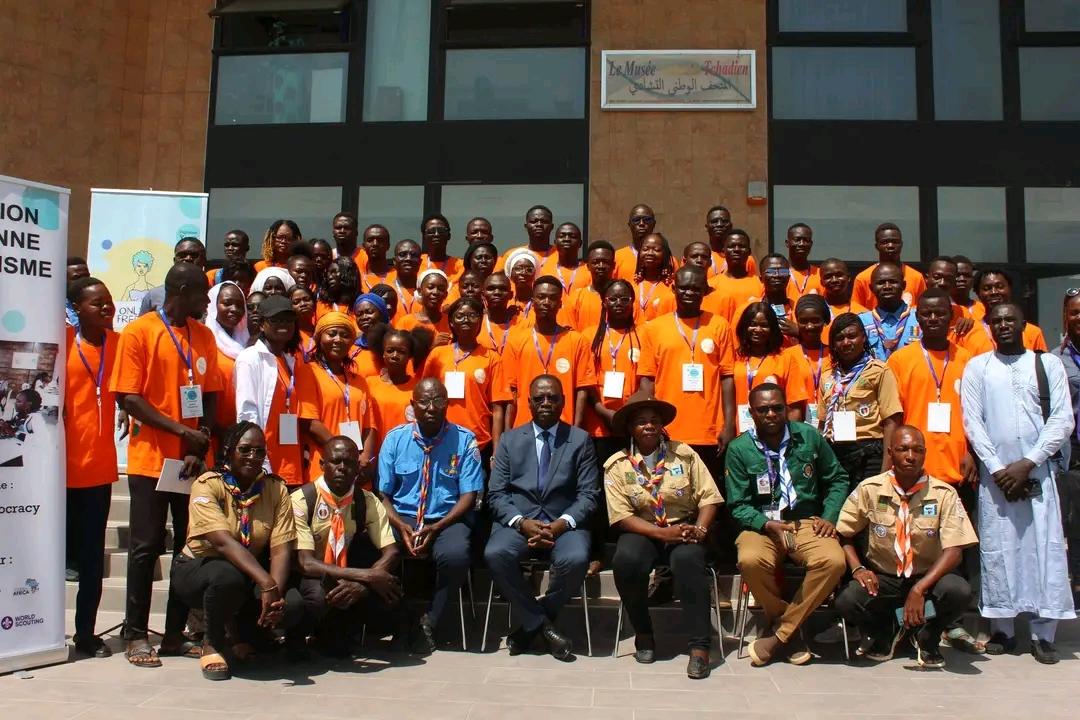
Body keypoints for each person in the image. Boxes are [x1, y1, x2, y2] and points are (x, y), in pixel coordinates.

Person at [109, 262, 220, 667]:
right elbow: (129, 397)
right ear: (183, 291)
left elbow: (209, 393)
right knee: (145, 547)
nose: (207, 301)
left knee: (187, 548)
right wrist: (180, 430)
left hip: (190, 462)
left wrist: (198, 439)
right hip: (151, 460)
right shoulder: (139, 332)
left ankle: (174, 635)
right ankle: (136, 634)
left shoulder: (204, 335)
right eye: (202, 293)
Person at [961, 302, 1076, 664]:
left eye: (1010, 319)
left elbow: (1062, 420)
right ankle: (1003, 629)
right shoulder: (978, 367)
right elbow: (973, 422)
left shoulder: (1047, 364)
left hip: (1038, 474)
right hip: (996, 480)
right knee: (999, 550)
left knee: (1044, 549)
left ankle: (1043, 634)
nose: (1003, 325)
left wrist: (1028, 463)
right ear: (989, 327)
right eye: (996, 321)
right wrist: (998, 469)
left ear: (1024, 324)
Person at [724, 383, 848, 666]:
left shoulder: (809, 436)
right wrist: (766, 525)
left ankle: (780, 633)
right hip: (762, 524)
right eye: (763, 409)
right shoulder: (739, 448)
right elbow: (738, 504)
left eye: (777, 408)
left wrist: (829, 515)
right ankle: (790, 629)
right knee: (750, 559)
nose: (771, 414)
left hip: (806, 521)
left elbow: (838, 479)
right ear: (751, 413)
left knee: (833, 561)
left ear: (786, 408)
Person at [835, 426, 978, 668]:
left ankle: (927, 637)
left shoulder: (944, 494)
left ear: (925, 454)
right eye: (903, 449)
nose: (910, 456)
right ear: (890, 453)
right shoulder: (870, 489)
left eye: (917, 450)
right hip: (885, 578)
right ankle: (886, 632)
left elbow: (954, 552)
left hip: (927, 578)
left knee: (958, 591)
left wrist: (919, 589)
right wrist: (858, 569)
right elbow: (844, 533)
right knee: (847, 599)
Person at [603, 391, 723, 678]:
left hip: (684, 527)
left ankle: (700, 647)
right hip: (643, 529)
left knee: (688, 560)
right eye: (641, 421)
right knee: (627, 560)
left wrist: (700, 529)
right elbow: (621, 516)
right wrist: (662, 534)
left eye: (654, 420)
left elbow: (709, 497)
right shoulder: (617, 465)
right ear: (630, 428)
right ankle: (643, 633)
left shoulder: (684, 454)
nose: (649, 426)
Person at [170, 422, 303, 680]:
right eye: (245, 450)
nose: (253, 457)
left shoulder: (275, 489)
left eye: (260, 451)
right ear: (229, 451)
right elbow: (222, 542)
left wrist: (274, 595)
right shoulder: (207, 484)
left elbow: (280, 548)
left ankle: (245, 636)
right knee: (225, 576)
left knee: (293, 604)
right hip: (198, 569)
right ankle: (211, 644)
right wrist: (266, 582)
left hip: (246, 573)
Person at [484, 375, 599, 660]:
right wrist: (521, 523)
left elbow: (589, 495)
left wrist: (561, 524)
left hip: (564, 524)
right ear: (529, 403)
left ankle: (530, 626)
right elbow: (496, 494)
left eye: (552, 398)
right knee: (496, 553)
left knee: (575, 559)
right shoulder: (509, 440)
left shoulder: (580, 440)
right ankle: (543, 625)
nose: (545, 403)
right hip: (519, 523)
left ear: (563, 402)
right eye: (539, 398)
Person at [378, 378, 484, 652]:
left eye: (438, 400)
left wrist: (437, 527)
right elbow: (383, 495)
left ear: (447, 403)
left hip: (447, 519)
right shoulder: (395, 439)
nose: (431, 407)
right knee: (378, 549)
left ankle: (431, 620)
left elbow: (469, 496)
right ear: (413, 405)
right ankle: (399, 619)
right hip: (403, 517)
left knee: (456, 555)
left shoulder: (465, 440)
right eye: (424, 401)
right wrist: (400, 525)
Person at [291, 436, 402, 657]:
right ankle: (297, 638)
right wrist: (366, 576)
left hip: (347, 573)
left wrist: (362, 584)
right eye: (335, 461)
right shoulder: (301, 500)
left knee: (389, 587)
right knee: (317, 596)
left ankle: (346, 633)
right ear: (322, 464)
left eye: (349, 463)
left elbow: (391, 552)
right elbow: (306, 563)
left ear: (358, 468)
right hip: (310, 576)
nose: (342, 468)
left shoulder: (367, 501)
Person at [638, 265, 736, 480]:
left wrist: (729, 424)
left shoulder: (720, 325)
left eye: (695, 288)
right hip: (668, 430)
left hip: (710, 431)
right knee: (671, 491)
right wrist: (652, 424)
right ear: (674, 289)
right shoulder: (654, 328)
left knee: (709, 493)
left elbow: (727, 378)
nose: (689, 292)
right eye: (683, 288)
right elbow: (647, 380)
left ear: (705, 291)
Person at [64, 277, 119, 658]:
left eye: (108, 301)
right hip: (57, 472)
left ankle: (86, 633)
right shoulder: (62, 341)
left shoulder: (120, 344)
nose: (105, 307)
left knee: (91, 561)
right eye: (96, 302)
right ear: (76, 308)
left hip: (98, 471)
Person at [234, 294, 318, 488]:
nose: (283, 325)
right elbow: (246, 413)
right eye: (276, 320)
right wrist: (257, 461)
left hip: (291, 463)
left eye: (288, 320)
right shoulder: (250, 359)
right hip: (264, 464)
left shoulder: (290, 361)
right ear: (262, 324)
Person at [496, 275, 596, 430]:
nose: (546, 302)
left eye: (552, 298)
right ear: (533, 301)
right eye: (541, 297)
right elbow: (511, 392)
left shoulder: (577, 341)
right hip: (524, 428)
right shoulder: (515, 340)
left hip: (564, 428)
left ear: (560, 304)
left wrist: (576, 431)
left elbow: (582, 389)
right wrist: (509, 433)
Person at [819, 312, 903, 490]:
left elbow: (891, 421)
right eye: (840, 338)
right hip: (835, 453)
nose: (846, 342)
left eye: (852, 336)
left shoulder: (879, 371)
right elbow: (822, 422)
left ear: (863, 337)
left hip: (869, 454)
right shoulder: (828, 377)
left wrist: (885, 470)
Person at [422, 297, 503, 465]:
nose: (466, 319)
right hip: (439, 438)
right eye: (460, 316)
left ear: (480, 321)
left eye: (472, 315)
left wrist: (496, 452)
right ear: (451, 322)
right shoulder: (438, 354)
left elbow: (497, 409)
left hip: (478, 442)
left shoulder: (492, 357)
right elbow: (423, 397)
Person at [304, 312, 376, 482]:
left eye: (344, 335)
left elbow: (369, 426)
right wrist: (345, 454)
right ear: (319, 338)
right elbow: (310, 422)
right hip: (324, 466)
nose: (338, 339)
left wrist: (364, 458)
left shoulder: (359, 380)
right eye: (332, 334)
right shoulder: (308, 372)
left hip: (355, 468)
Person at [731, 302, 810, 432]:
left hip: (774, 434)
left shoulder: (786, 359)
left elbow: (794, 407)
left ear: (772, 328)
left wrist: (788, 437)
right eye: (752, 324)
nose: (758, 329)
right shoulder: (734, 357)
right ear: (744, 327)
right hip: (739, 434)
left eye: (764, 325)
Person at [1051, 288, 1080, 594]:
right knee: (1074, 521)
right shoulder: (1055, 359)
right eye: (1075, 312)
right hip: (1074, 450)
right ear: (1066, 317)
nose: (1079, 317)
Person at [367, 324, 435, 445]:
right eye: (390, 350)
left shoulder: (419, 387)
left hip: (408, 450)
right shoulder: (368, 384)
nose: (395, 355)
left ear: (410, 355)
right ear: (383, 353)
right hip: (375, 451)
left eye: (401, 352)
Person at [960, 268, 1049, 353]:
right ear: (977, 293)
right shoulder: (967, 330)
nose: (994, 292)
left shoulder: (1032, 331)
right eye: (987, 288)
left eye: (1000, 286)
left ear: (1010, 288)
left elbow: (1041, 362)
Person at [205, 282, 249, 442]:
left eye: (239, 305)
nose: (234, 309)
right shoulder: (205, 343)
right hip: (213, 435)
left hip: (243, 437)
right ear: (213, 305)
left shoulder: (249, 345)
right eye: (227, 303)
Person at [852, 223, 926, 310]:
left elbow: (924, 307)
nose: (890, 246)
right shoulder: (863, 278)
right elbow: (856, 309)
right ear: (876, 246)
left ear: (901, 244)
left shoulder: (916, 277)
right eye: (885, 242)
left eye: (895, 242)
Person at [858, 262, 921, 361]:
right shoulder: (861, 322)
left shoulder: (919, 319)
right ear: (871, 288)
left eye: (893, 281)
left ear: (903, 285)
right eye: (881, 283)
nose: (887, 286)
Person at [704, 229, 764, 325]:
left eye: (741, 246)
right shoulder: (711, 285)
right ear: (724, 251)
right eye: (731, 246)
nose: (736, 250)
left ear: (749, 252)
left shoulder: (761, 285)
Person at [789, 294, 830, 428]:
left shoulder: (835, 354)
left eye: (815, 320)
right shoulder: (787, 356)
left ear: (824, 321)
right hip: (799, 426)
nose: (810, 326)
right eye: (803, 321)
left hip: (832, 425)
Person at [137, 238, 207, 316]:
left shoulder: (214, 293)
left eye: (194, 255)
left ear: (204, 260)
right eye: (182, 255)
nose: (188, 258)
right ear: (174, 260)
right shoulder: (154, 295)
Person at [566, 240, 619, 332]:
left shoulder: (623, 298)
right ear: (588, 266)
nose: (601, 266)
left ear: (614, 265)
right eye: (595, 262)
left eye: (605, 262)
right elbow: (570, 333)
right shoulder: (576, 298)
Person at [630, 232, 677, 322]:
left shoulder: (672, 288)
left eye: (656, 250)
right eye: (645, 249)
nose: (650, 253)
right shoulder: (631, 286)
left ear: (665, 255)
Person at [398, 269, 452, 345]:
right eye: (430, 287)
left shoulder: (451, 322)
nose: (435, 292)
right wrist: (432, 346)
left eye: (441, 289)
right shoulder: (406, 322)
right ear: (420, 291)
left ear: (445, 294)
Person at [539, 222, 590, 301]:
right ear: (555, 242)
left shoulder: (589, 270)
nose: (567, 239)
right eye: (562, 236)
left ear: (580, 243)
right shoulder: (544, 271)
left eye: (572, 236)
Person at [703, 205, 757, 278]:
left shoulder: (746, 259)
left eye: (724, 221)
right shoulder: (699, 257)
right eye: (714, 221)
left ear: (731, 226)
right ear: (706, 227)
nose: (719, 224)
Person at [498, 205, 556, 272]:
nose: (539, 224)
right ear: (526, 226)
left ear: (552, 226)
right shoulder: (512, 255)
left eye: (544, 221)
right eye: (534, 221)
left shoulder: (561, 254)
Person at [349, 291, 392, 375]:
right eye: (359, 314)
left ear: (382, 314)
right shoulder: (351, 349)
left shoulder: (396, 344)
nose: (364, 317)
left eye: (369, 312)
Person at [478, 272, 520, 356]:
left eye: (503, 289)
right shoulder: (476, 325)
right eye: (491, 289)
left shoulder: (523, 325)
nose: (497, 292)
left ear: (511, 295)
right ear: (483, 295)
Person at [614, 204, 656, 280]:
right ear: (629, 225)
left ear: (654, 224)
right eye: (636, 220)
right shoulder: (616, 258)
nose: (641, 223)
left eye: (647, 219)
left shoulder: (666, 260)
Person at [420, 213, 464, 280]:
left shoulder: (461, 266)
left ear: (449, 236)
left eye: (441, 230)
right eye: (431, 231)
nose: (436, 234)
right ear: (424, 237)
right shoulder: (417, 262)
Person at [315, 256, 360, 321]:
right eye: (328, 273)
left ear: (347, 274)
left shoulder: (361, 304)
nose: (329, 277)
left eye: (334, 272)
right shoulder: (323, 305)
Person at [785, 223, 821, 299]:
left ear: (811, 244)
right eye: (797, 240)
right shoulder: (777, 274)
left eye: (806, 240)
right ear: (787, 243)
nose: (801, 244)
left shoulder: (821, 274)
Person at [391, 239, 422, 320]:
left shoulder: (428, 294)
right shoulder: (386, 292)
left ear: (420, 262)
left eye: (413, 255)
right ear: (394, 261)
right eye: (402, 254)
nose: (408, 258)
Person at [506, 250, 539, 325]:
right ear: (511, 274)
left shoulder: (541, 304)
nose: (523, 273)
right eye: (518, 269)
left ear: (535, 274)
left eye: (529, 269)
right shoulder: (505, 302)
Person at [357, 224, 394, 291]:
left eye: (380, 240)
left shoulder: (398, 276)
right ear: (364, 246)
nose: (375, 244)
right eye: (370, 240)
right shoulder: (357, 279)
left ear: (388, 246)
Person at [65, 256, 90, 327]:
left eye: (86, 276)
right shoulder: (52, 307)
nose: (84, 281)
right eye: (77, 278)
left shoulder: (95, 306)